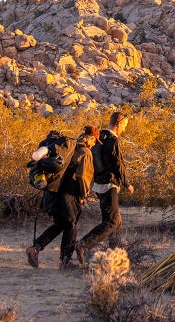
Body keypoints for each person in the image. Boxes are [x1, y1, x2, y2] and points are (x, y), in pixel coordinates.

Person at [26, 125, 97, 270]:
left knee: (59, 224)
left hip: (52, 193)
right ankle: (65, 261)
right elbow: (83, 176)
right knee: (71, 225)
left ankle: (36, 248)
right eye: (95, 141)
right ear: (91, 139)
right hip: (69, 196)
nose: (95, 144)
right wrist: (84, 195)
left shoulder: (67, 148)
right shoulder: (85, 152)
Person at [77, 111, 133, 262]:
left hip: (98, 184)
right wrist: (127, 183)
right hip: (109, 184)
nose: (124, 129)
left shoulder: (99, 136)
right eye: (124, 126)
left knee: (117, 221)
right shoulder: (113, 140)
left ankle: (115, 254)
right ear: (119, 124)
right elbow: (119, 164)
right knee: (111, 222)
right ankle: (83, 244)